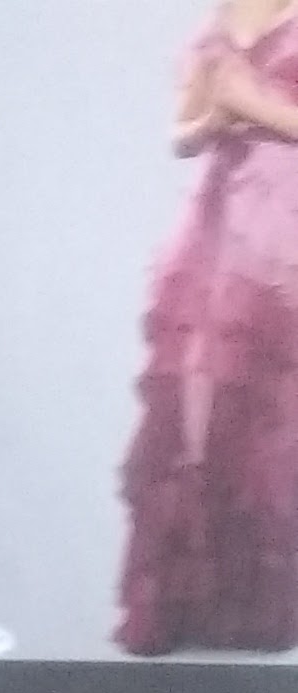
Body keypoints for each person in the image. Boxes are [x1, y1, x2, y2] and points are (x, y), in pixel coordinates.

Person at [119, 6, 298, 653]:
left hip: (287, 226)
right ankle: (192, 604)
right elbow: (182, 134)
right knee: (199, 403)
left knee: (275, 406)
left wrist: (253, 104)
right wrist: (213, 120)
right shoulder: (215, 28)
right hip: (219, 223)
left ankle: (261, 609)